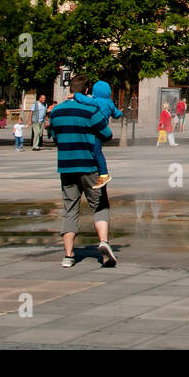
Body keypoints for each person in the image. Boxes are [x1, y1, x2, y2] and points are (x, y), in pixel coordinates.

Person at [51, 75, 116, 268]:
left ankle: (68, 255)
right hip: (89, 166)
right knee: (100, 205)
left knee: (70, 209)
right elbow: (107, 134)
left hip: (66, 167)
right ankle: (103, 242)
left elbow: (55, 137)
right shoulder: (90, 110)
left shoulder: (56, 112)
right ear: (87, 91)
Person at [74, 82, 121, 187]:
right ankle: (102, 172)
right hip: (103, 128)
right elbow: (116, 113)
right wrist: (120, 113)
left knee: (96, 151)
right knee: (97, 150)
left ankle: (104, 173)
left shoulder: (97, 101)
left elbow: (84, 100)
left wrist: (76, 94)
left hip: (96, 128)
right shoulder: (110, 102)